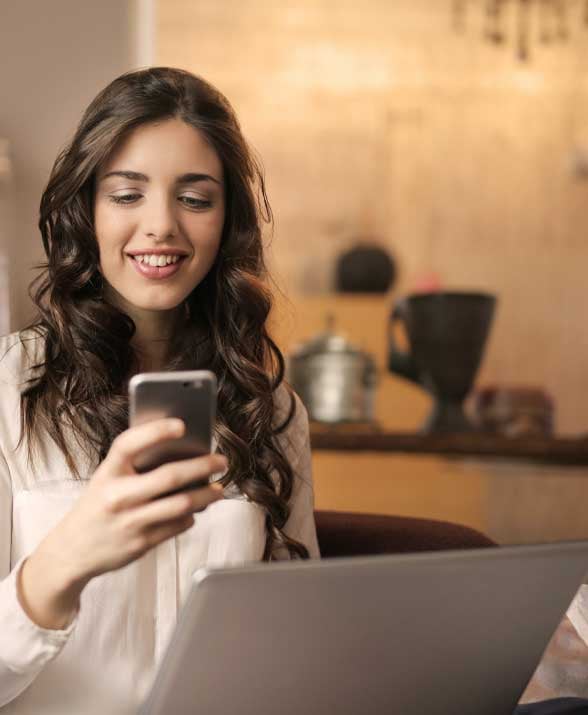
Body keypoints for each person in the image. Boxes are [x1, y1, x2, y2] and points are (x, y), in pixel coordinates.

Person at [0, 66, 319, 714]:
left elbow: (300, 643)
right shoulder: (11, 389)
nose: (162, 226)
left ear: (225, 220)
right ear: (85, 209)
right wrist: (58, 566)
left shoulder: (272, 408)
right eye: (127, 194)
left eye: (195, 198)